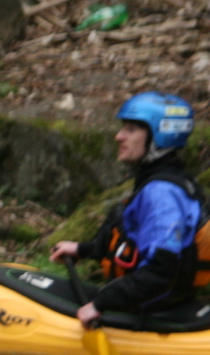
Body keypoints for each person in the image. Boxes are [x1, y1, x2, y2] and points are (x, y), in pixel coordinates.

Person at [51, 92, 206, 329]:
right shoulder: (166, 182)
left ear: (159, 137)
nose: (119, 136)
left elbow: (160, 272)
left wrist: (100, 304)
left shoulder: (161, 194)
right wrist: (83, 249)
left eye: (131, 130)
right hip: (148, 301)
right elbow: (134, 243)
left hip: (150, 307)